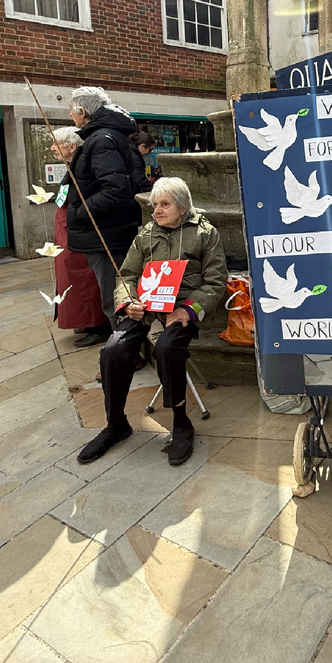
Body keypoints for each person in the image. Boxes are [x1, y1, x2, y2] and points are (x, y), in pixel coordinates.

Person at [78, 177, 226, 466]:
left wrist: (189, 310)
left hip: (181, 309)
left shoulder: (205, 233)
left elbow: (215, 281)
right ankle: (116, 424)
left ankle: (182, 423)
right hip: (146, 306)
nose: (156, 210)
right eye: (155, 204)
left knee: (167, 349)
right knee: (113, 349)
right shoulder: (145, 235)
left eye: (164, 204)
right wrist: (127, 302)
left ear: (182, 207)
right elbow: (127, 275)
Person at [65, 86, 146, 348]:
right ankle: (126, 349)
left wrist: (78, 212)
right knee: (119, 292)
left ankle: (126, 353)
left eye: (71, 109)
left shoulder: (101, 139)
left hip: (107, 233)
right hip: (111, 230)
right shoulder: (111, 136)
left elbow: (115, 190)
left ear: (81, 110)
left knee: (117, 296)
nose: (70, 114)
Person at [49, 127, 108, 336]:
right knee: (69, 276)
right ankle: (83, 319)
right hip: (67, 231)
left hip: (77, 232)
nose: (52, 148)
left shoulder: (84, 170)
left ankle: (96, 323)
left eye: (57, 144)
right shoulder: (71, 167)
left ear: (72, 147)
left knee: (83, 278)